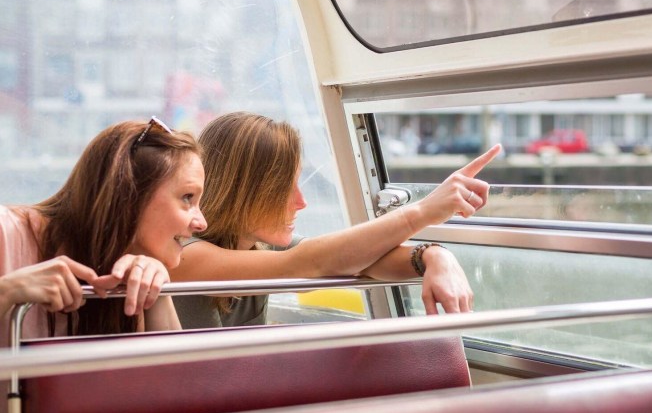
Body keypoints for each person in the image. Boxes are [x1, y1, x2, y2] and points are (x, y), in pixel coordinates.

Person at [171, 112, 501, 328]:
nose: (301, 202)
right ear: (243, 192)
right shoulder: (184, 255)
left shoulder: (259, 247)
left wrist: (435, 256)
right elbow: (313, 261)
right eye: (285, 189)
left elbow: (359, 260)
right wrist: (423, 212)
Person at [0, 117, 207, 339]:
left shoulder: (127, 270)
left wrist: (158, 294)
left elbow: (174, 372)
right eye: (187, 198)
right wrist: (7, 292)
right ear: (128, 196)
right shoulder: (5, 230)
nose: (202, 223)